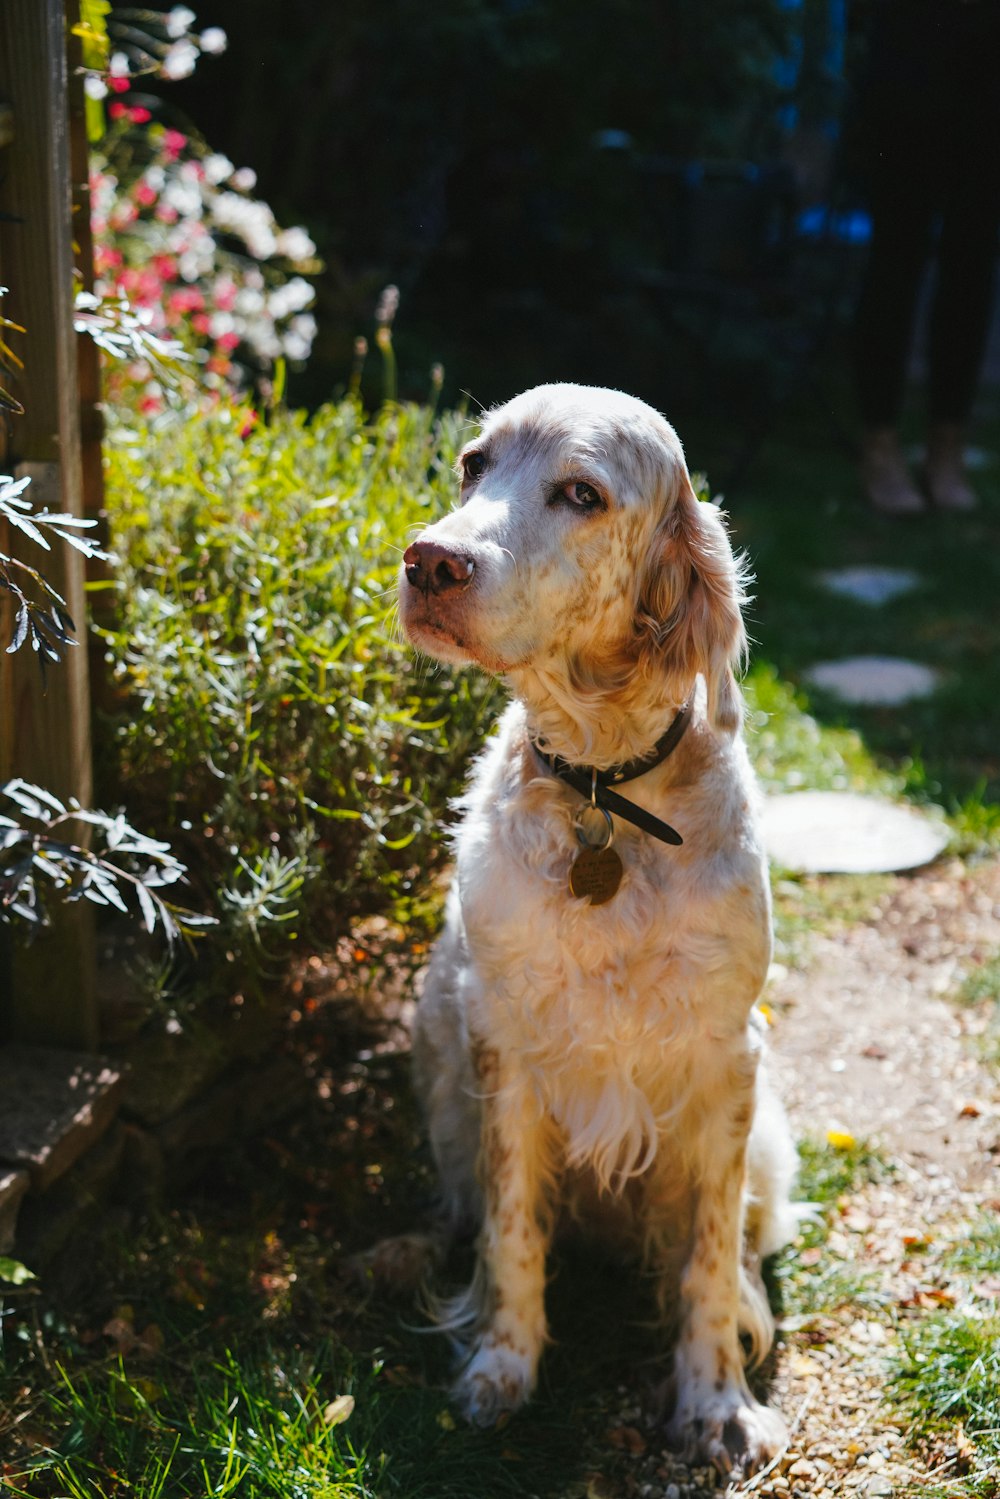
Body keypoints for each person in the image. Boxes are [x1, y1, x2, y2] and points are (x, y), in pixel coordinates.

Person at [852, 0, 1000, 514]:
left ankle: (948, 443)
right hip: (912, 39)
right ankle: (880, 443)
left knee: (974, 255)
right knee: (897, 246)